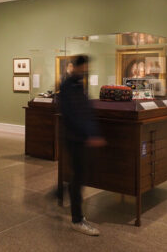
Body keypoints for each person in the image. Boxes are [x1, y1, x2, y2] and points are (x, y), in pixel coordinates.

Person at [59, 55, 106, 236]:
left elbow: (85, 110)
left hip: (80, 137)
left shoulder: (78, 85)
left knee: (78, 174)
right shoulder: (68, 86)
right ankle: (77, 220)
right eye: (84, 68)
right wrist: (89, 133)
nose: (86, 71)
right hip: (74, 137)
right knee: (78, 177)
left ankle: (57, 193)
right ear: (76, 67)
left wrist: (93, 132)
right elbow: (73, 114)